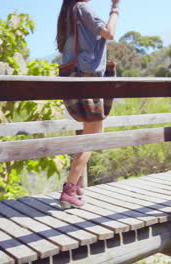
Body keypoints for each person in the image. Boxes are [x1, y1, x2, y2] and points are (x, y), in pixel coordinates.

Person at [56, 0, 120, 208]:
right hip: (88, 78)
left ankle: (76, 185)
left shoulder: (68, 11)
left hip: (76, 78)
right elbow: (109, 33)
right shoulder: (83, 8)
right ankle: (69, 189)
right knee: (93, 135)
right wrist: (115, 8)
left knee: (87, 133)